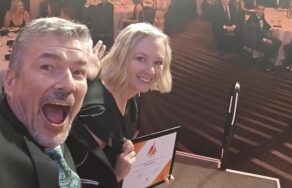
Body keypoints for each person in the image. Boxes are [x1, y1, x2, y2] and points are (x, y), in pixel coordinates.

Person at [0, 17, 120, 187]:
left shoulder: (50, 117)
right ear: (11, 82)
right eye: (47, 67)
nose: (69, 84)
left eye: (78, 71)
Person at [68, 22, 173, 186]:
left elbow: (122, 153)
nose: (151, 71)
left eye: (158, 62)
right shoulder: (99, 112)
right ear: (121, 56)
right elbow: (68, 181)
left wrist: (151, 171)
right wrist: (116, 175)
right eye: (140, 59)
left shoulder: (132, 95)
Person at [247, 4, 281, 72]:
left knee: (278, 42)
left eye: (262, 9)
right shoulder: (252, 19)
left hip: (261, 36)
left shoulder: (261, 16)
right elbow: (254, 35)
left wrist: (272, 29)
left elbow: (265, 24)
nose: (261, 11)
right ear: (256, 9)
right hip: (255, 40)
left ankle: (267, 59)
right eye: (259, 9)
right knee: (270, 45)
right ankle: (265, 64)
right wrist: (266, 40)